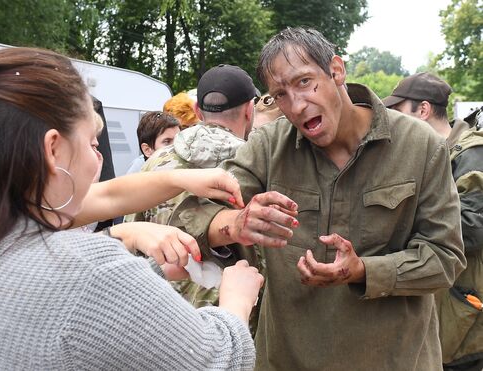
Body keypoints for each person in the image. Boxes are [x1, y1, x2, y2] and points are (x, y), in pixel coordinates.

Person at [0, 47, 264, 370]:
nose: (99, 158)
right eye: (93, 141)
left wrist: (178, 180)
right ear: (53, 149)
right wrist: (236, 298)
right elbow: (217, 358)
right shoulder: (92, 271)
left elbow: (107, 199)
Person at [169, 27, 466, 370]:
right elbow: (190, 215)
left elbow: (445, 258)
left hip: (396, 359)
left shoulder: (420, 144)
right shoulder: (268, 147)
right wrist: (234, 224)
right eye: (280, 94)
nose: (295, 105)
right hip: (288, 359)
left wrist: (363, 271)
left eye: (304, 82)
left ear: (336, 70)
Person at [125, 63, 257, 309]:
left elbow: (130, 236)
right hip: (233, 318)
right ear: (249, 110)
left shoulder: (156, 161)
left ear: (197, 110)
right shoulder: (254, 162)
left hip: (162, 314)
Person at [383, 73, 483, 371]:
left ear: (422, 110)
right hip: (436, 306)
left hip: (463, 312)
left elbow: (474, 227)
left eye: (399, 111)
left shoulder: (472, 154)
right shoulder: (426, 154)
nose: (393, 121)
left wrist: (403, 214)